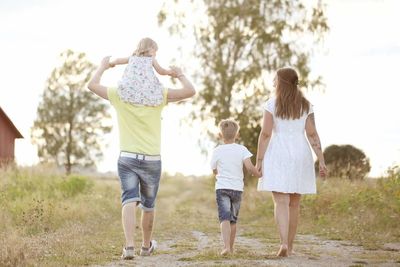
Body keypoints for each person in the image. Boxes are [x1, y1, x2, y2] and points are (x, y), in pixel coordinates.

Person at [87, 56, 195, 259]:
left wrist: (103, 66)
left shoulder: (119, 94)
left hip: (127, 158)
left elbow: (92, 85)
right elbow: (190, 91)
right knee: (148, 205)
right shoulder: (158, 94)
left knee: (129, 199)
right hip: (152, 159)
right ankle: (146, 247)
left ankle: (129, 247)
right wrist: (178, 73)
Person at [255, 67, 327, 257]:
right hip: (300, 154)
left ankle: (284, 243)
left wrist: (259, 160)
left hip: (278, 153)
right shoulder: (306, 105)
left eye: (275, 80)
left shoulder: (272, 104)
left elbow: (265, 134)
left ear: (281, 82)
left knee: (281, 201)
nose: (273, 83)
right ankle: (291, 246)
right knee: (294, 203)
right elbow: (312, 134)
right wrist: (321, 160)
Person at [210, 119, 261, 256]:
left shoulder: (217, 151)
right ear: (237, 135)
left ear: (220, 135)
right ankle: (231, 248)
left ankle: (226, 247)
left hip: (222, 188)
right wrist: (258, 174)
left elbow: (213, 169)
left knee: (224, 218)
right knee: (233, 220)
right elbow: (250, 167)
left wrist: (217, 173)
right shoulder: (242, 149)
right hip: (237, 189)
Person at [109, 37, 176, 106]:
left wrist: (111, 63)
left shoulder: (132, 58)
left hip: (130, 87)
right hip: (146, 88)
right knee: (153, 94)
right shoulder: (151, 60)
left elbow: (118, 60)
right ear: (149, 48)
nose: (155, 54)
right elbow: (161, 71)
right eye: (155, 51)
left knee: (131, 96)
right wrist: (169, 72)